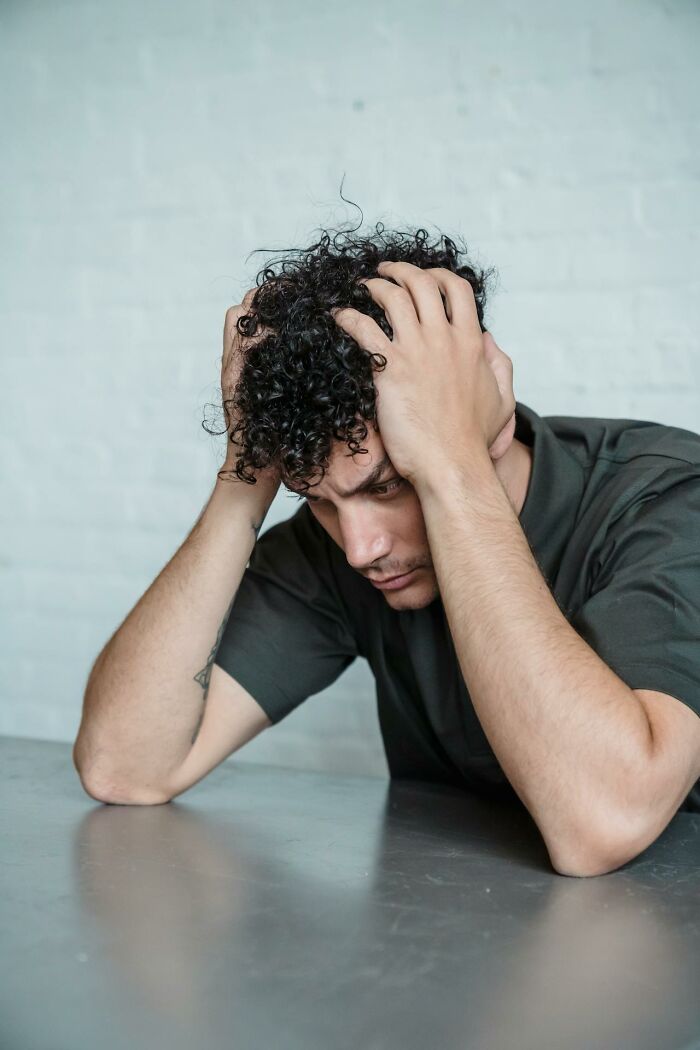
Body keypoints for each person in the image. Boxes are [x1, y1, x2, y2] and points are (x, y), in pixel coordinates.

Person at [73, 224, 700, 878]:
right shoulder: (335, 544)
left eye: (389, 486)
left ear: (493, 415)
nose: (359, 548)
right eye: (315, 499)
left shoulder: (667, 501)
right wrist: (245, 476)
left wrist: (453, 466)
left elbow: (604, 825)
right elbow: (123, 767)